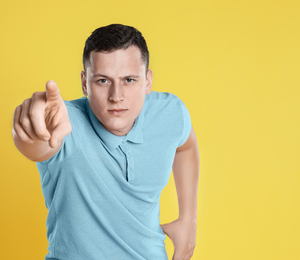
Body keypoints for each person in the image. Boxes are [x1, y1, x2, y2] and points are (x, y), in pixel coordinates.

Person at [12, 24, 199, 260]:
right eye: (102, 81)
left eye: (129, 80)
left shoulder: (169, 112)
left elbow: (186, 145)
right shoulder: (65, 124)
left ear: (148, 81)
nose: (116, 96)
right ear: (84, 83)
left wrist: (188, 220)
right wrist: (33, 128)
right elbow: (39, 145)